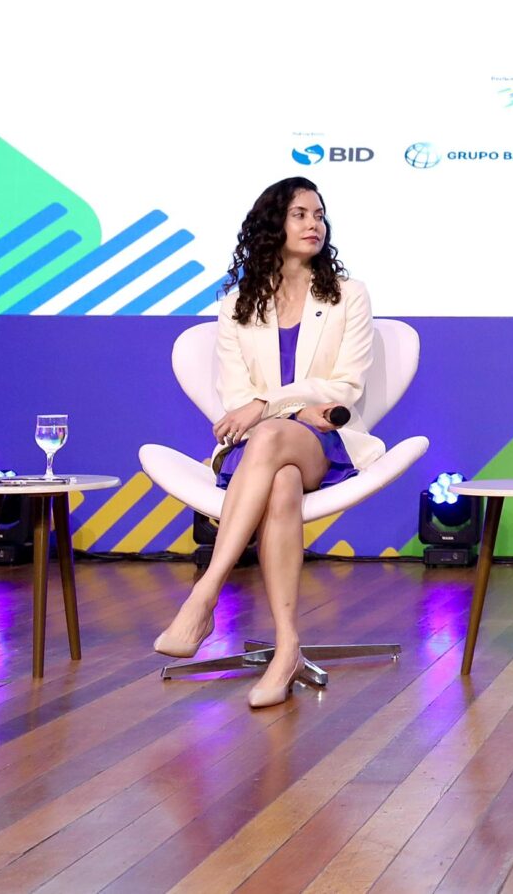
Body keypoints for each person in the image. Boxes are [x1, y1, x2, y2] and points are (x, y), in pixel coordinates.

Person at [153, 177, 385, 707]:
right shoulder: (238, 305)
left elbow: (345, 386)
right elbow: (236, 396)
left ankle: (205, 594)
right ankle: (286, 650)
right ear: (272, 224)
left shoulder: (347, 295)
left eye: (319, 215)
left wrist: (269, 406)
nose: (313, 225)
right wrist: (285, 409)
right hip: (264, 449)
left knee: (274, 434)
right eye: (300, 214)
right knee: (280, 482)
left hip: (325, 442)